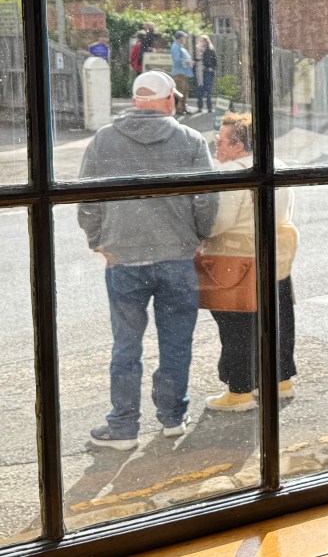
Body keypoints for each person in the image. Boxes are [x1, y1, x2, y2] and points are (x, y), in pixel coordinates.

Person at [78, 70, 217, 450]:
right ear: (169, 99)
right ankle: (173, 417)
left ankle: (123, 427)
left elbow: (86, 198)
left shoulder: (104, 139)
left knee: (126, 345)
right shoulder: (190, 139)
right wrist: (198, 237)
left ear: (135, 100)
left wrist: (98, 241)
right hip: (176, 259)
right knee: (176, 343)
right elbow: (207, 199)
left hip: (123, 259)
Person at [203, 112, 300, 411]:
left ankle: (240, 392)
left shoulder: (231, 174)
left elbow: (219, 223)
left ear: (239, 145)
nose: (216, 145)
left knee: (236, 325)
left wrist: (200, 232)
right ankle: (280, 380)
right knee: (278, 318)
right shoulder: (277, 164)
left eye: (221, 140)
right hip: (277, 255)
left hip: (237, 260)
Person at [170, 30, 194, 115]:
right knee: (180, 91)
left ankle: (183, 108)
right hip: (179, 73)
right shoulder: (175, 47)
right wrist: (187, 61)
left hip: (184, 72)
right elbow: (177, 59)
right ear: (179, 38)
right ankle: (178, 109)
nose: (184, 39)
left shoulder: (180, 46)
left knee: (185, 91)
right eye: (183, 37)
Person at [194, 34, 218, 113]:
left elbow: (214, 61)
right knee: (199, 90)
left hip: (207, 72)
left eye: (202, 41)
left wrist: (212, 68)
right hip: (199, 72)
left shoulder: (210, 49)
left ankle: (209, 108)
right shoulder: (197, 50)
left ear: (206, 42)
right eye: (200, 41)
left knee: (208, 90)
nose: (201, 42)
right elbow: (194, 60)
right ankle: (200, 107)